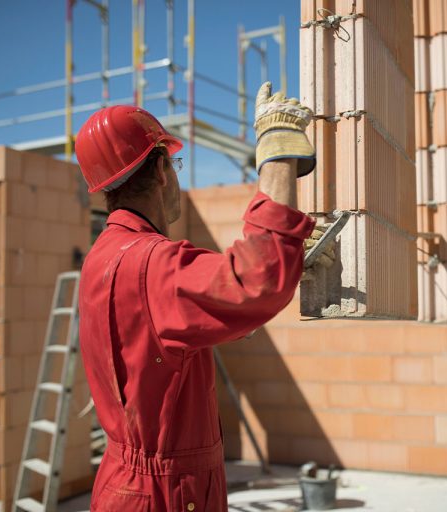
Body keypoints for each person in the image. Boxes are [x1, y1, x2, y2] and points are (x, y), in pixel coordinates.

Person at [75, 82, 328, 511]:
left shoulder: (107, 255)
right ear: (159, 171)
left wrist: (290, 254)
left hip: (128, 485)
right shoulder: (150, 263)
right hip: (165, 494)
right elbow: (254, 283)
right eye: (174, 164)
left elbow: (177, 331)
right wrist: (277, 151)